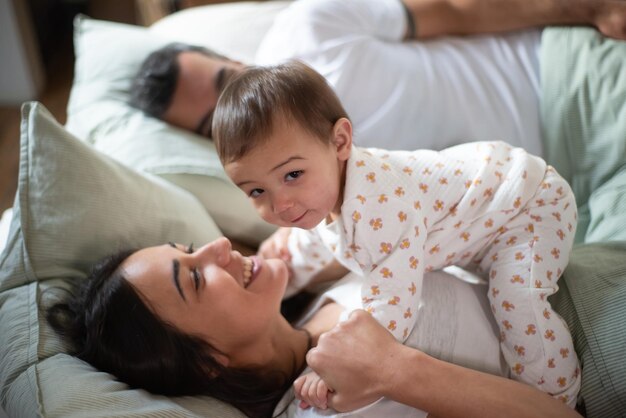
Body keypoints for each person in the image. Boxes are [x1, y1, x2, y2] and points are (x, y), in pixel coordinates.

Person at [211, 61, 580, 409]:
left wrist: (333, 368)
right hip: (487, 222)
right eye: (257, 191)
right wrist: (279, 271)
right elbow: (312, 247)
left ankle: (559, 393)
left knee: (516, 302)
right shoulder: (323, 196)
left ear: (340, 142)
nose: (281, 205)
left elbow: (393, 303)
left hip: (528, 205)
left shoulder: (380, 203)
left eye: (292, 175)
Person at [46, 236, 581, 418]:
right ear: (211, 361)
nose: (220, 248)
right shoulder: (325, 406)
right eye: (196, 278)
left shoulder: (310, 309)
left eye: (191, 247)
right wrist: (399, 370)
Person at [130, 0, 626, 156]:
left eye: (226, 81)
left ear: (231, 57)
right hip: (562, 195)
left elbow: (453, 9)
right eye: (212, 122)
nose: (238, 107)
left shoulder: (308, 29)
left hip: (564, 79)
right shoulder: (293, 190)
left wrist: (591, 8)